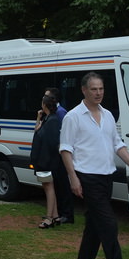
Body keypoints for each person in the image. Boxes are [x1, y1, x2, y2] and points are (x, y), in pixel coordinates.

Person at [61, 72, 129, 259]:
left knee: (94, 227)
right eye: (93, 89)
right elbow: (65, 149)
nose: (98, 93)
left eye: (101, 89)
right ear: (84, 90)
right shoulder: (73, 116)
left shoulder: (108, 115)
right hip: (87, 178)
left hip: (105, 177)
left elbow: (118, 144)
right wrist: (73, 177)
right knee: (109, 226)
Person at [31, 94, 62, 228]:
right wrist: (39, 118)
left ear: (45, 105)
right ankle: (55, 216)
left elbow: (50, 142)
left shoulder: (53, 121)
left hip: (46, 160)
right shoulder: (47, 119)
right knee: (48, 186)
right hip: (43, 160)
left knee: (49, 187)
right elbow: (36, 131)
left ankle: (49, 217)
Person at [45, 86, 74, 224]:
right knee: (56, 183)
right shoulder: (50, 112)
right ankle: (58, 212)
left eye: (47, 96)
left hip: (61, 154)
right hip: (54, 154)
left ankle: (67, 214)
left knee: (63, 184)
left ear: (54, 99)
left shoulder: (61, 113)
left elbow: (64, 134)